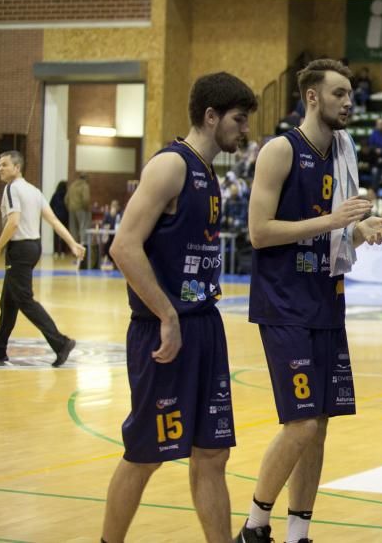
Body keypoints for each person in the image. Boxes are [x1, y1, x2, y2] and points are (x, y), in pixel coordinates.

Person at [237, 59, 382, 543]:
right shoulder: (280, 150)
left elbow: (340, 222)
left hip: (327, 299)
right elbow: (259, 233)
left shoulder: (343, 150)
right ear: (311, 97)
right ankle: (254, 526)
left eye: (350, 95)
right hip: (284, 303)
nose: (348, 102)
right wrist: (333, 222)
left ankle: (298, 533)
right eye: (339, 94)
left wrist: (359, 227)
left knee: (319, 426)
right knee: (302, 424)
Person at [100, 72, 258, 542]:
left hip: (204, 324)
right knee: (146, 454)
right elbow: (123, 246)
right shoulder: (170, 166)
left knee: (212, 453)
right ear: (210, 117)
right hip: (163, 330)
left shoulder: (210, 173)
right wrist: (167, 315)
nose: (244, 129)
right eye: (238, 119)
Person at [0, 151, 85, 367]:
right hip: (34, 247)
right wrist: (72, 243)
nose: (0, 168)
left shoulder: (12, 188)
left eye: (5, 165)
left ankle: (61, 343)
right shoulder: (34, 191)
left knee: (24, 300)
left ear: (17, 168)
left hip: (20, 249)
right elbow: (53, 220)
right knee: (8, 300)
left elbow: (13, 222)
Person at [65, 173, 91, 245]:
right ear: (85, 178)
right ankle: (83, 245)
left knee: (73, 229)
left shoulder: (72, 185)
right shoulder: (84, 186)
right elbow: (86, 199)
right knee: (83, 227)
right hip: (81, 209)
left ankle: (74, 246)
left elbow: (66, 199)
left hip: (71, 209)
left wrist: (69, 207)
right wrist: (86, 208)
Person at [50, 180, 68, 256]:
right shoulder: (66, 195)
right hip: (64, 216)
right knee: (64, 234)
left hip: (56, 217)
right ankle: (63, 251)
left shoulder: (55, 194)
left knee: (56, 235)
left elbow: (50, 204)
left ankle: (56, 251)